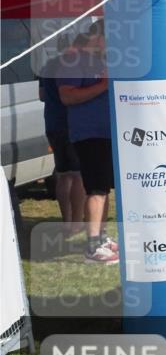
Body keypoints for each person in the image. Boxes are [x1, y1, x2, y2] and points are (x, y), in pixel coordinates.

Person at [58, 31, 117, 264]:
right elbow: (67, 97)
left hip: (106, 133)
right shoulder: (73, 61)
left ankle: (100, 237)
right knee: (96, 189)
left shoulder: (101, 60)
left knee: (103, 188)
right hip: (89, 134)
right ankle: (93, 246)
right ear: (96, 37)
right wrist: (104, 85)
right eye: (107, 37)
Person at [38, 36, 85, 236]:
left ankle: (66, 221)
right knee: (78, 175)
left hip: (52, 123)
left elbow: (41, 95)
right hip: (72, 124)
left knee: (63, 174)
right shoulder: (76, 65)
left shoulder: (47, 65)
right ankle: (77, 222)